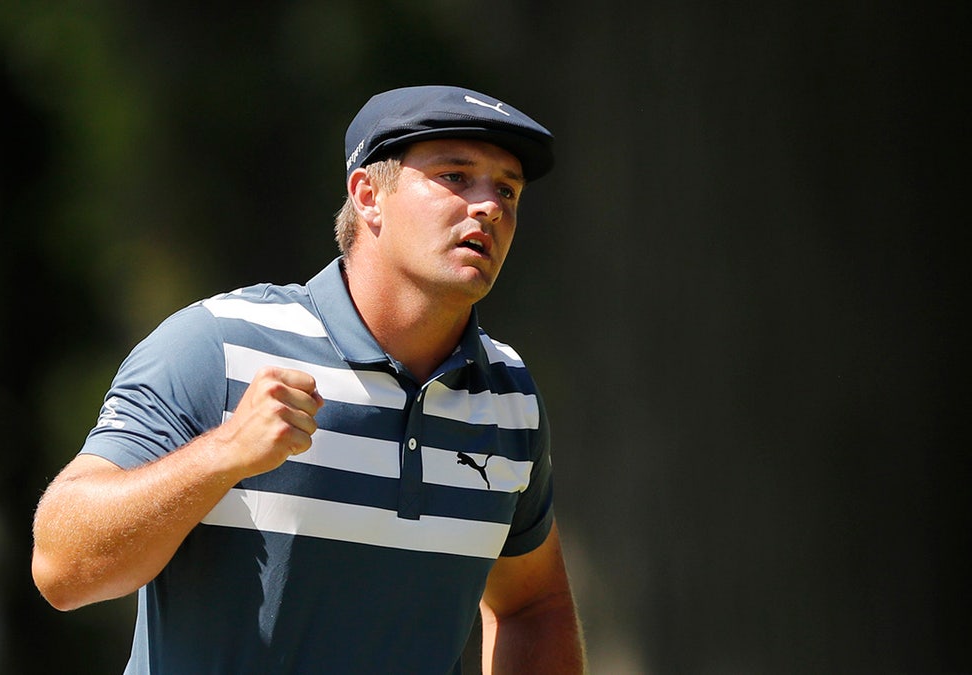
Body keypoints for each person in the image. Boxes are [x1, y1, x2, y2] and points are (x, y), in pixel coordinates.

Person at [32, 84, 587, 674]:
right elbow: (63, 567)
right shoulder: (216, 345)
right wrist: (223, 455)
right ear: (367, 195)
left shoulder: (508, 398)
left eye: (507, 188)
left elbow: (533, 604)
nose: (490, 206)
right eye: (456, 176)